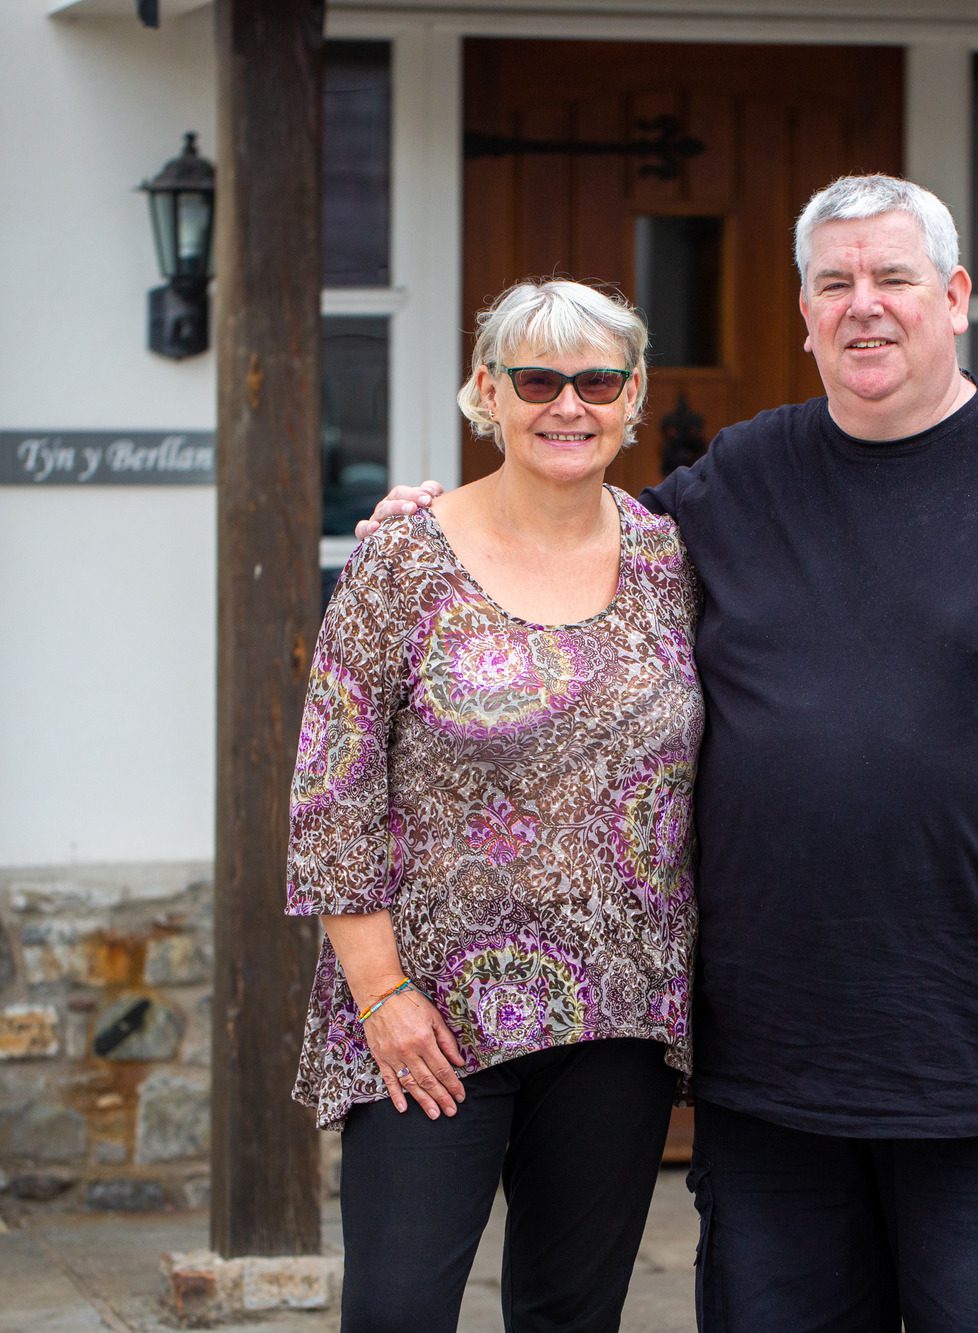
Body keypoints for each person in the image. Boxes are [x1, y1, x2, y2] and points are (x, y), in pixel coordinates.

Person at [364, 175, 978, 1332]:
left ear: (954, 297)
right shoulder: (736, 479)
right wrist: (434, 525)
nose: (863, 306)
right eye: (835, 283)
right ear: (804, 313)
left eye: (892, 278)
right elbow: (568, 539)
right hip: (772, 1068)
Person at [287, 279, 703, 1333]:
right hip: (429, 1017)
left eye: (596, 379)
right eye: (538, 378)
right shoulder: (402, 556)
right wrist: (379, 994)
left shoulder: (671, 557)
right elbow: (331, 791)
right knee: (397, 1311)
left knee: (571, 1314)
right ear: (486, 391)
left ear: (632, 395)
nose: (568, 404)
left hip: (618, 1012)